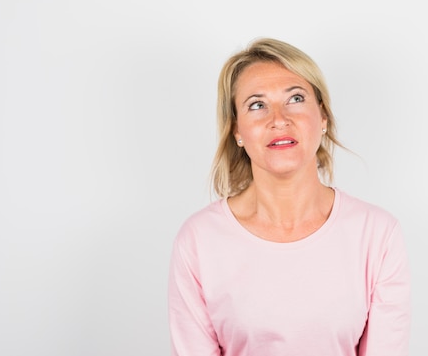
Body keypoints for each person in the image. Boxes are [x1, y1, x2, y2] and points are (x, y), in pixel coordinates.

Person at [168, 38, 411, 356]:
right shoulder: (198, 240)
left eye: (295, 98)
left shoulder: (377, 234)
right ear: (237, 131)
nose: (278, 119)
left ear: (322, 117)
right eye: (257, 104)